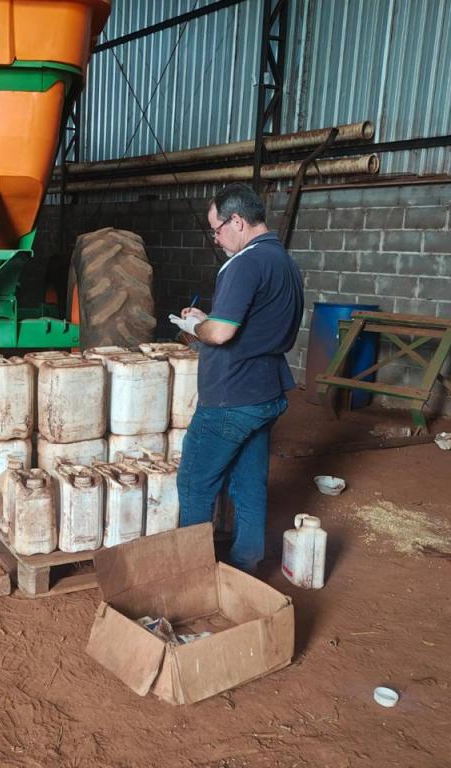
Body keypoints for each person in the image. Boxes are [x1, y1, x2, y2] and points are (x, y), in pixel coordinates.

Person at [169, 182, 304, 573]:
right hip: (265, 392)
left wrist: (196, 328)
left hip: (231, 398)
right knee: (248, 485)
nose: (216, 238)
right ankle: (246, 565)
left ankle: (191, 574)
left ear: (238, 221)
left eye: (217, 229)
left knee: (195, 485)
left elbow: (224, 333)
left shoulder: (244, 263)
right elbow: (255, 323)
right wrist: (207, 319)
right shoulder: (284, 262)